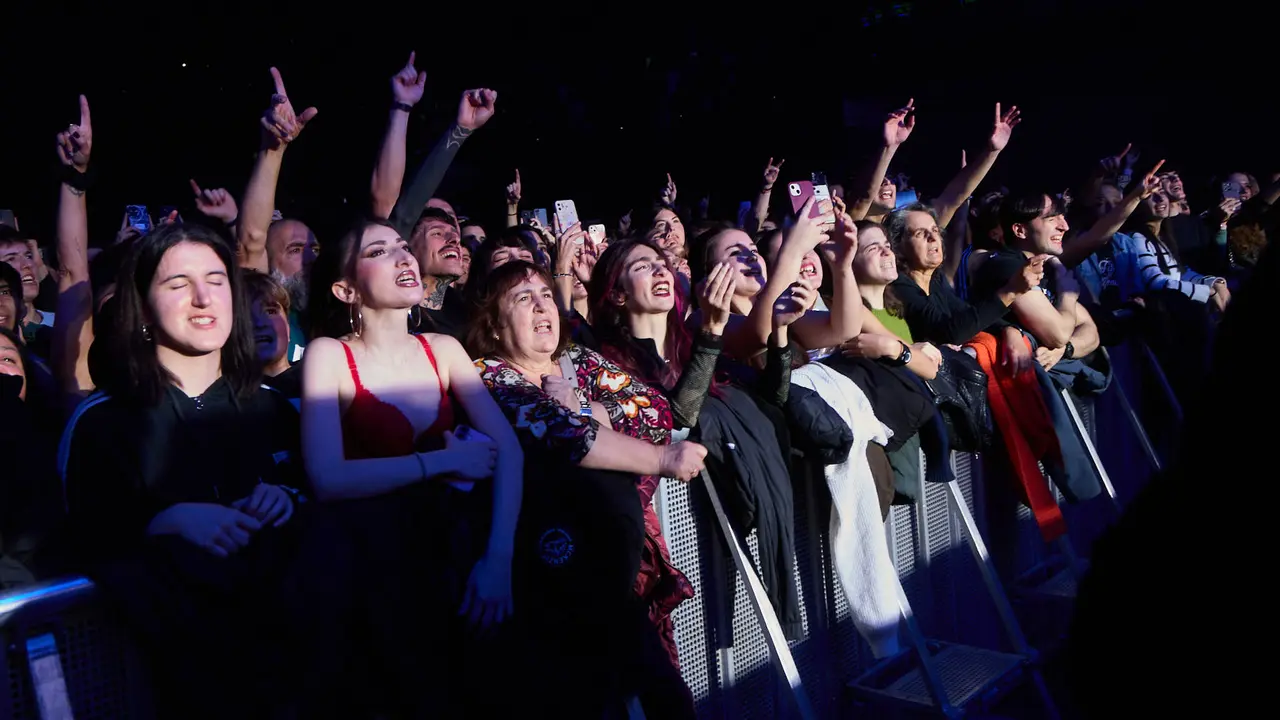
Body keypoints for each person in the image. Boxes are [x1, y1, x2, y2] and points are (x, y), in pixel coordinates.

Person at [60, 224, 308, 719]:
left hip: (291, 674)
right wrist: (163, 521)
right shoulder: (102, 422)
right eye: (178, 284)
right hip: (168, 685)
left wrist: (288, 498)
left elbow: (318, 500)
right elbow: (78, 541)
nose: (202, 298)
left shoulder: (276, 408)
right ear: (144, 307)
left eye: (217, 281)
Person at [300, 217, 523, 717]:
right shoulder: (329, 356)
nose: (403, 256)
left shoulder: (443, 349)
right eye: (379, 251)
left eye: (403, 246)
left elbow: (508, 450)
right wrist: (442, 461)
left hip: (460, 561)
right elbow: (327, 477)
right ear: (345, 288)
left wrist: (499, 560)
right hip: (375, 576)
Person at [469, 260, 705, 719]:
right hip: (548, 574)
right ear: (494, 328)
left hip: (618, 567)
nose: (542, 306)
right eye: (523, 299)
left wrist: (588, 409)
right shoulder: (487, 376)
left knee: (666, 699)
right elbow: (561, 435)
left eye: (544, 294)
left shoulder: (577, 360)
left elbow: (655, 412)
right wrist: (660, 458)